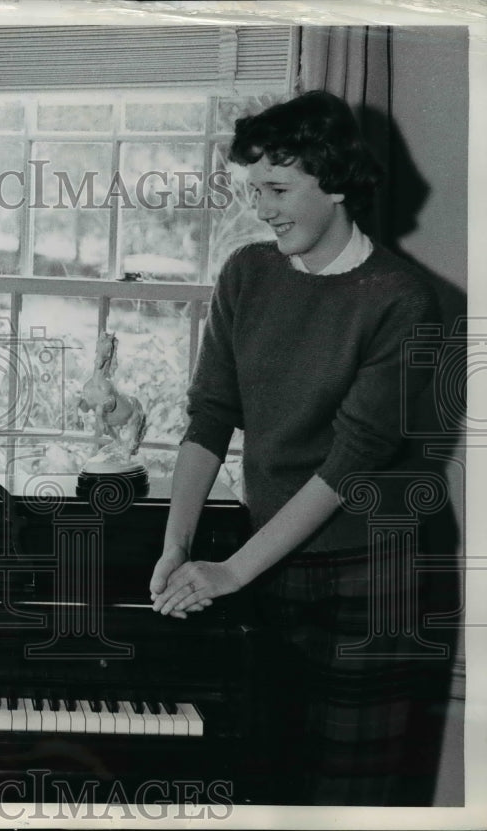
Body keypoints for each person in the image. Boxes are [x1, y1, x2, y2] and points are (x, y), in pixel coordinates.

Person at [148, 91, 443, 805]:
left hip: (373, 572)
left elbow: (349, 463)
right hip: (270, 562)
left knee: (353, 799)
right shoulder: (246, 273)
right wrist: (175, 545)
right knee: (265, 783)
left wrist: (231, 572)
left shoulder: (402, 299)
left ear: (335, 182)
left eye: (278, 189)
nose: (262, 208)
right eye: (254, 190)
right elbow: (211, 415)